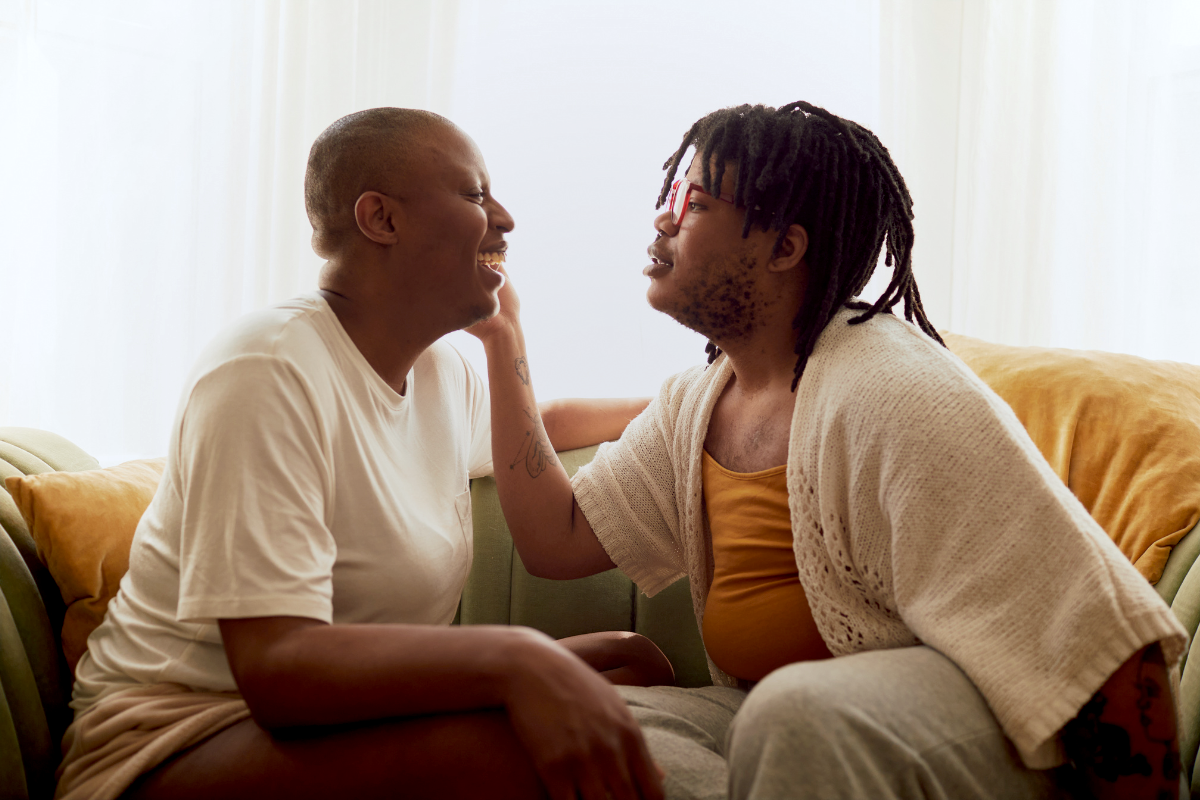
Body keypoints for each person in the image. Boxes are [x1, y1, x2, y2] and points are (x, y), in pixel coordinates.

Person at [473, 101, 1190, 800]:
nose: (664, 216)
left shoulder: (896, 392)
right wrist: (503, 336)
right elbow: (555, 542)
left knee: (794, 715)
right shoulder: (698, 403)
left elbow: (1103, 645)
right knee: (585, 734)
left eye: (696, 202)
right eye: (671, 192)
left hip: (962, 740)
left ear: (785, 247)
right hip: (768, 725)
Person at [53, 108, 670, 800]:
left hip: (334, 725)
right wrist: (516, 657)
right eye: (474, 195)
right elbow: (278, 671)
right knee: (515, 754)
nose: (505, 218)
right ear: (381, 219)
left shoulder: (440, 372)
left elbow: (536, 426)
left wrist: (694, 404)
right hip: (179, 737)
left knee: (629, 664)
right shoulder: (266, 370)